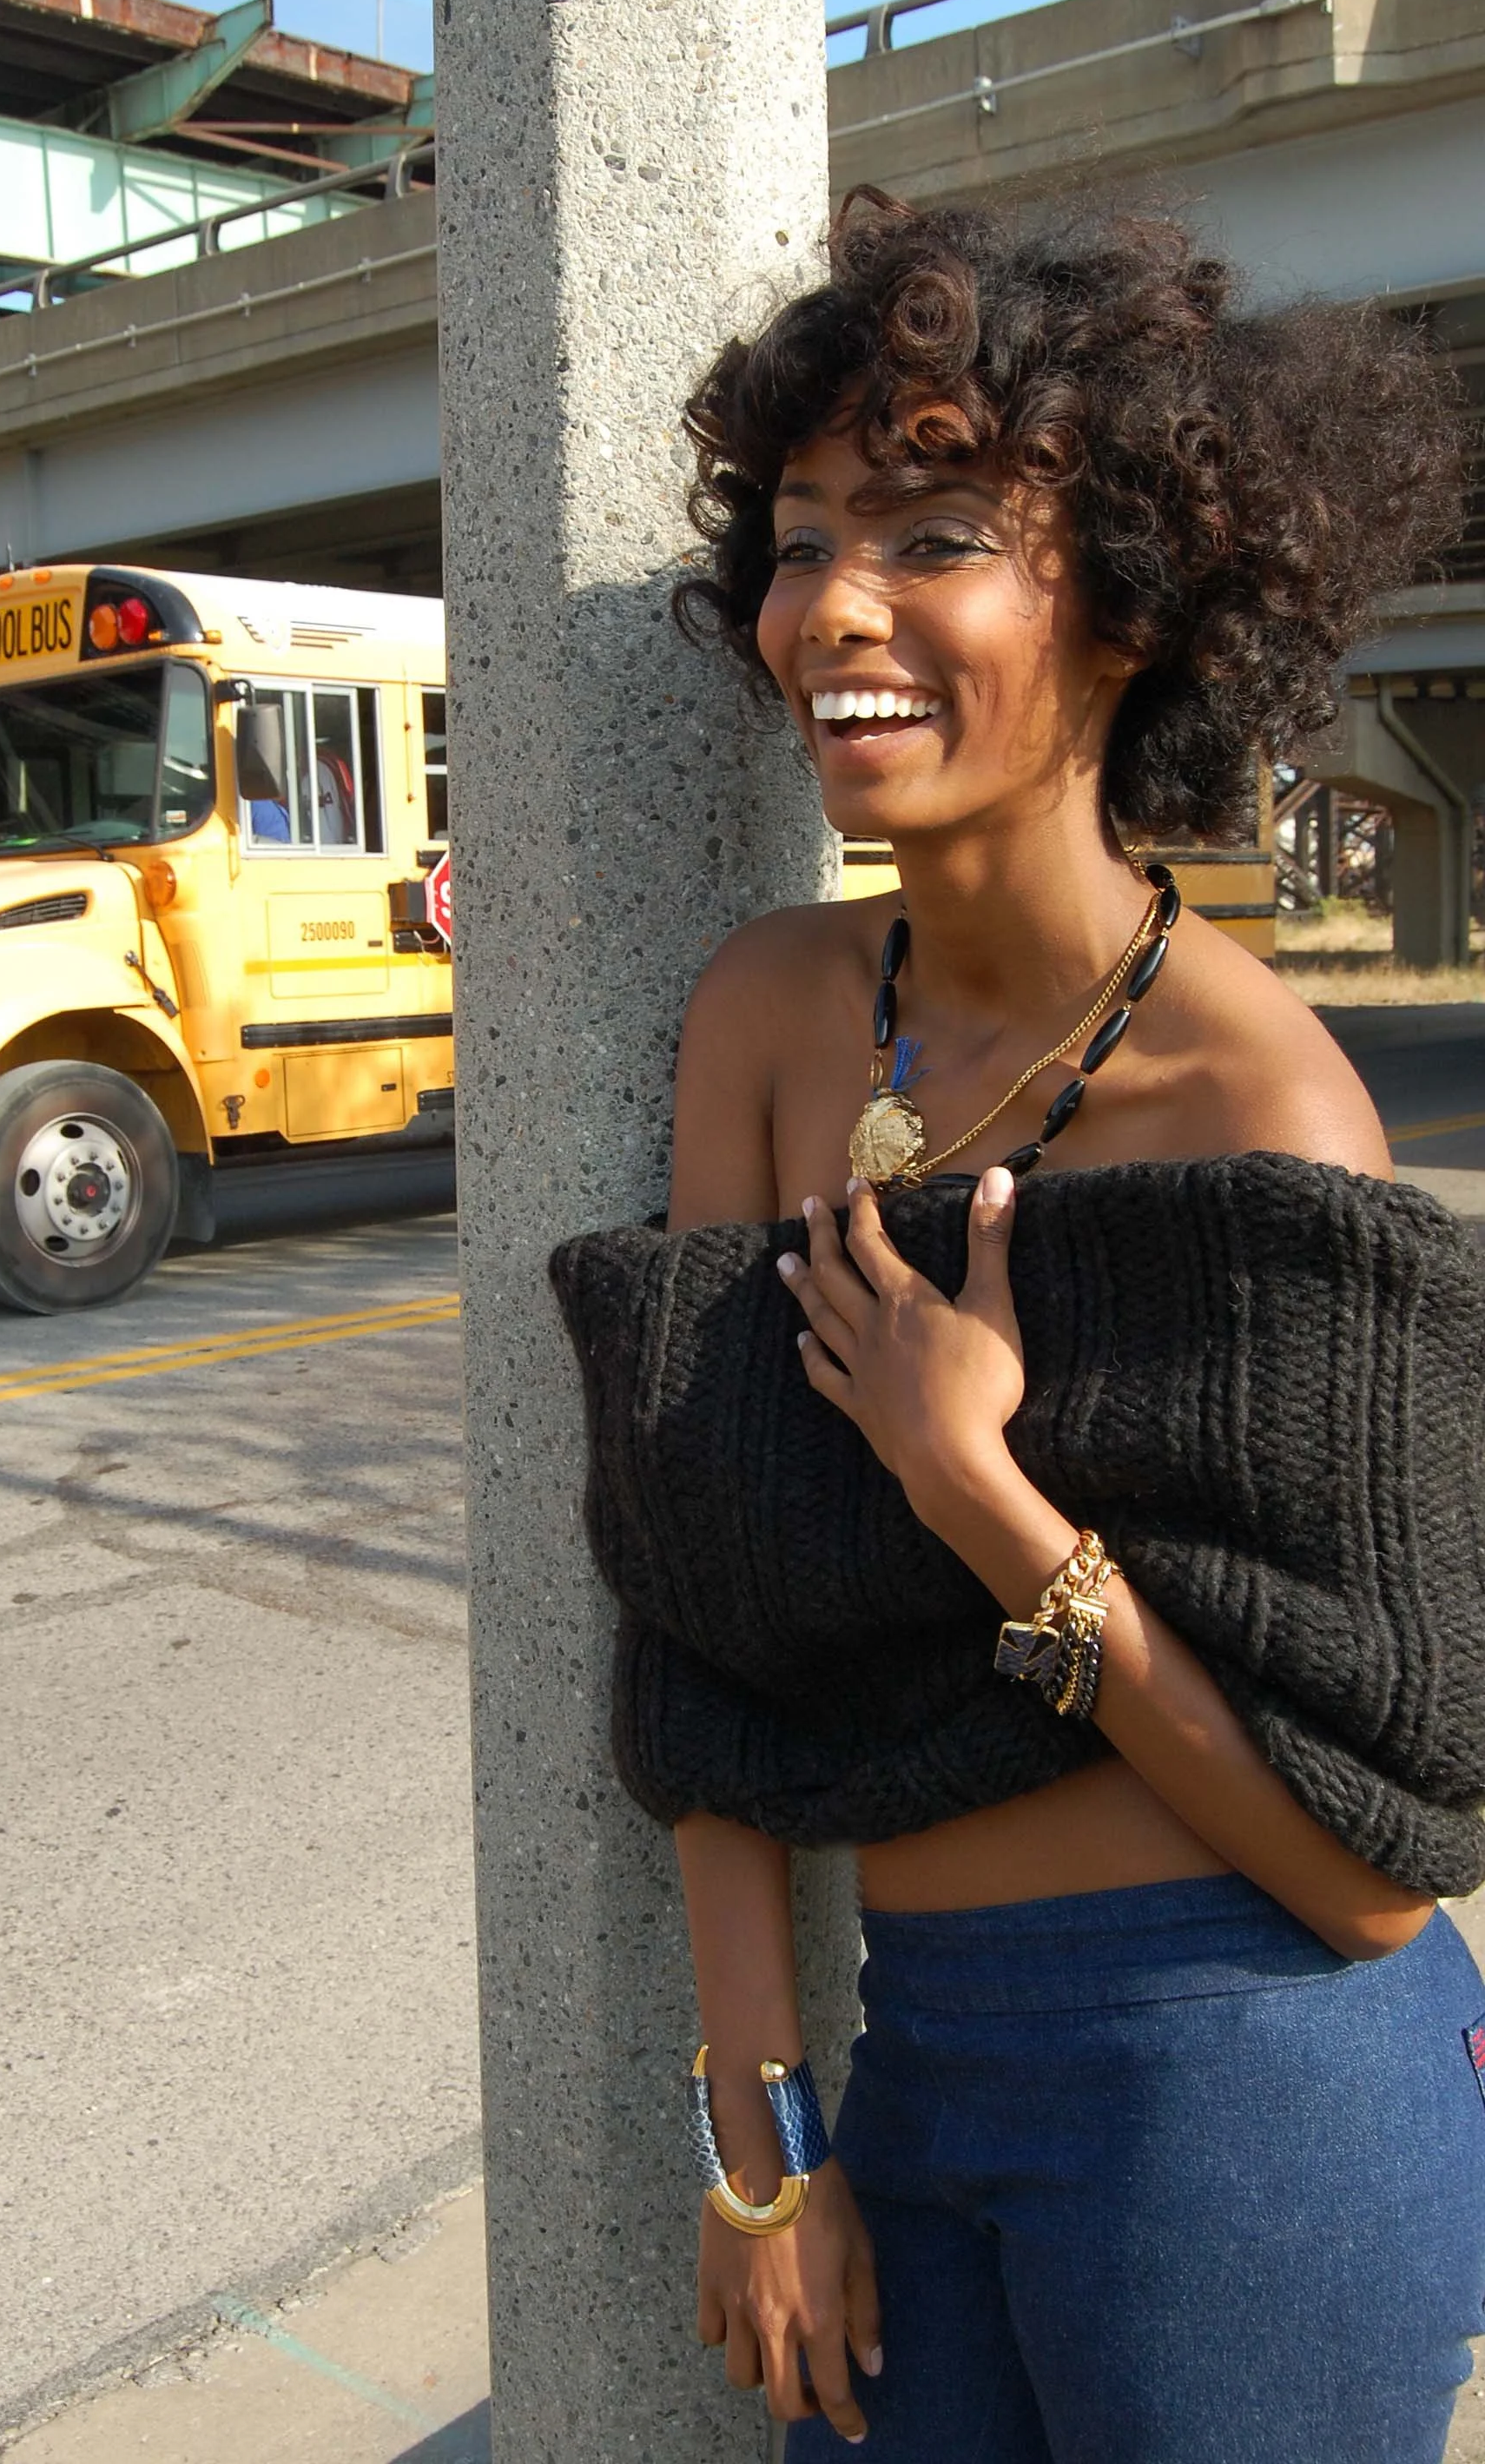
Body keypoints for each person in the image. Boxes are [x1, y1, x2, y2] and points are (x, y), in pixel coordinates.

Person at [550, 188, 1485, 2461]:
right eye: (797, 537)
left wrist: (981, 1490)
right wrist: (761, 2141)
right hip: (920, 2065)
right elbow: (704, 1632)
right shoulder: (773, 1019)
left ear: (1128, 605)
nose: (832, 610)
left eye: (939, 530)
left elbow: (1369, 1881)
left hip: (1245, 2085)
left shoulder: (1260, 1113)